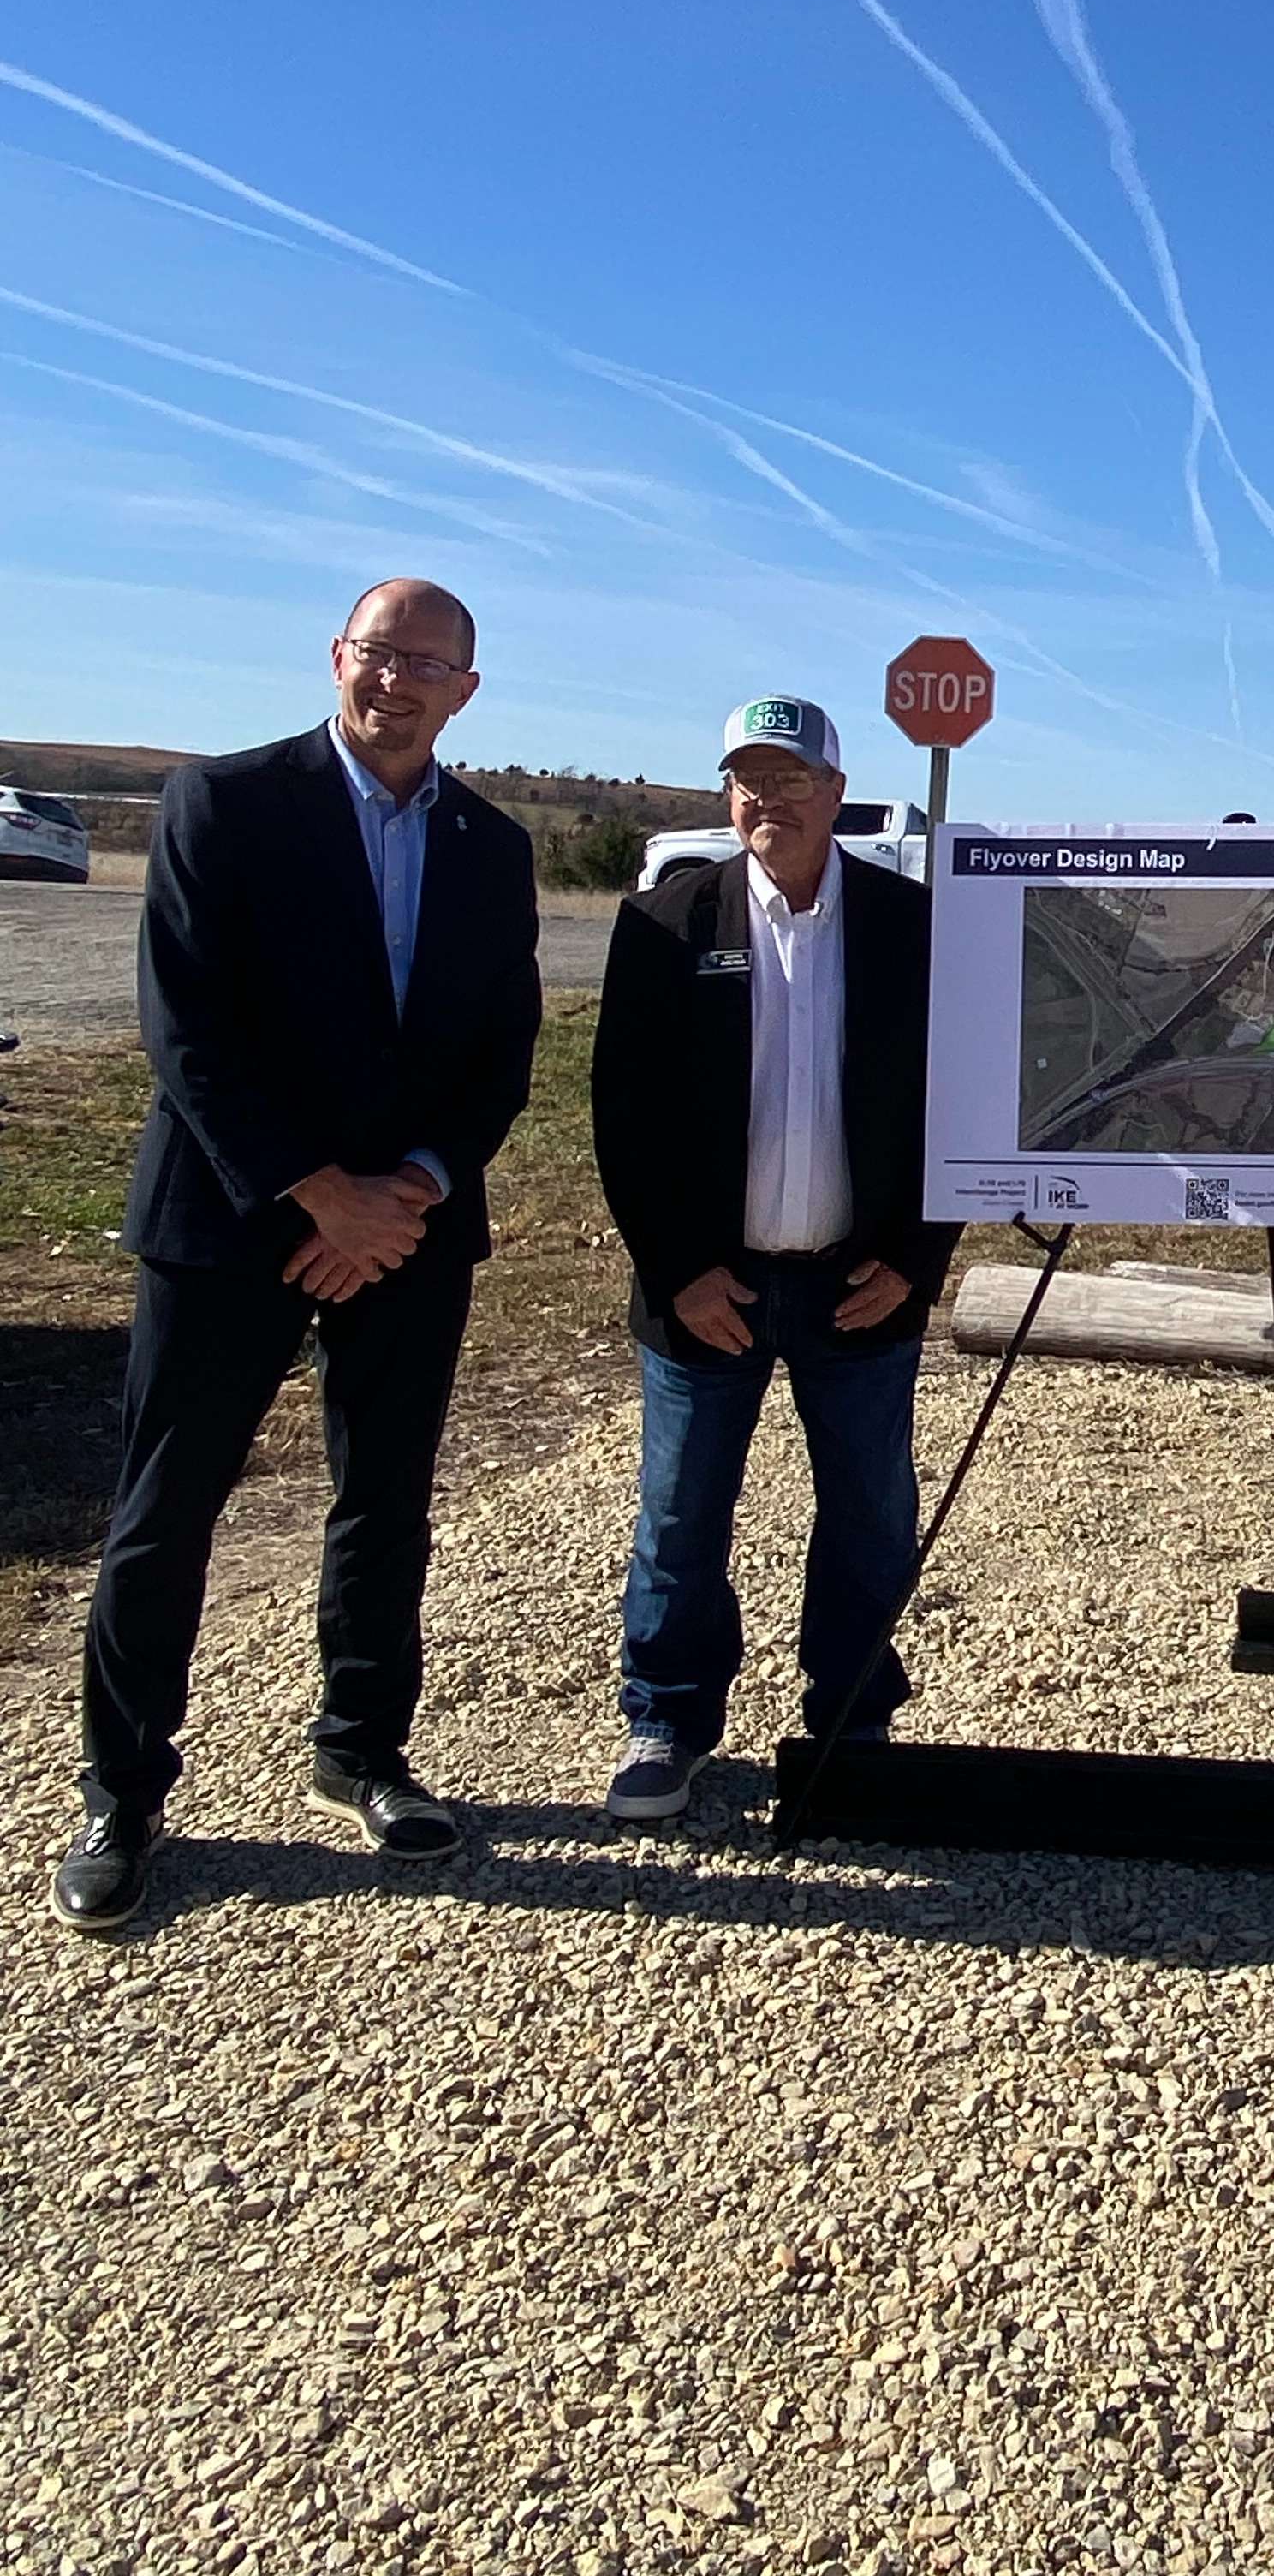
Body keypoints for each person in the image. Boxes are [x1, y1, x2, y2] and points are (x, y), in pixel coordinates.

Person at [53, 581, 541, 1935]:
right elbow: (188, 1030)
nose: (396, 682)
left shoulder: (494, 851)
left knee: (383, 1505)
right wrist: (319, 1199)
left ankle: (362, 1749)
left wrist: (413, 1192)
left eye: (425, 665)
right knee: (166, 1515)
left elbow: (499, 1055)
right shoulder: (225, 803)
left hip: (410, 1234)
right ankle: (121, 1792)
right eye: (378, 655)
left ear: (465, 692)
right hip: (230, 1227)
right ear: (338, 659)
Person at [590, 696, 959, 1821]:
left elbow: (955, 1103)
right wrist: (675, 1271)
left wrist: (918, 1261)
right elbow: (623, 1110)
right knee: (681, 1513)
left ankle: (854, 1716)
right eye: (751, 780)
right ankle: (666, 1721)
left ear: (837, 795)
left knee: (868, 1517)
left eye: (794, 781)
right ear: (728, 794)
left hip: (861, 1288)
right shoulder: (665, 921)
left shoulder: (912, 924)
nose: (771, 801)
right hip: (712, 1292)